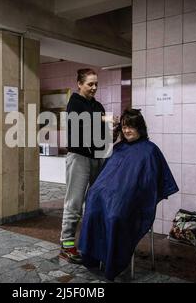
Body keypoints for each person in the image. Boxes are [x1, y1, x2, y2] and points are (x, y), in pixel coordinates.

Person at [78, 108, 179, 280]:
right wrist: (96, 192)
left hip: (133, 202)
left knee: (114, 216)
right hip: (110, 197)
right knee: (93, 210)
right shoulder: (118, 149)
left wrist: (126, 195)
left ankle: (113, 262)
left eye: (131, 127)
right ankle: (94, 258)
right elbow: (106, 177)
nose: (126, 130)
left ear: (140, 128)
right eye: (124, 127)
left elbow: (148, 185)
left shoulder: (150, 151)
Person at [59, 68, 115, 264]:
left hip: (97, 157)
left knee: (94, 201)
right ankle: (66, 244)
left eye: (96, 84)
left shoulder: (98, 105)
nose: (94, 87)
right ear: (80, 84)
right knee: (74, 202)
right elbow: (80, 122)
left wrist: (114, 132)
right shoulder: (74, 103)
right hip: (79, 158)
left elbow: (104, 133)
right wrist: (104, 119)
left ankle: (91, 242)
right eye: (90, 84)